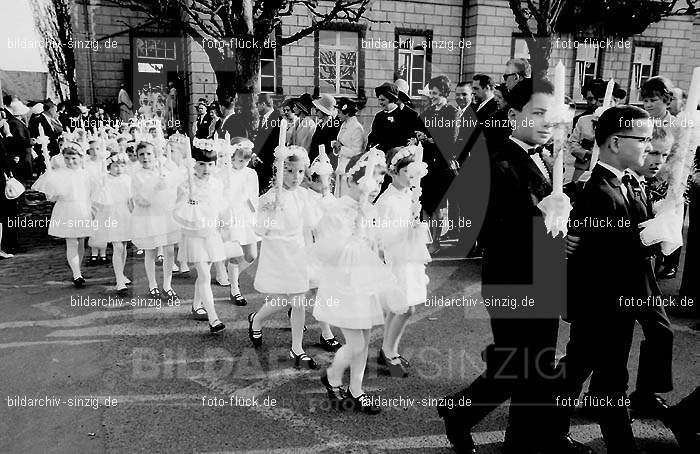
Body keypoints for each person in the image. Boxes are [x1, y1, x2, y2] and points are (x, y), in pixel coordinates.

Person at [438, 78, 589, 454]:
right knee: (521, 365)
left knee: (531, 366)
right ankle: (465, 416)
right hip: (513, 279)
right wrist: (542, 225)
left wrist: (560, 226)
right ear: (512, 114)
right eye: (538, 114)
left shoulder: (541, 158)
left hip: (544, 274)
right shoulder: (495, 159)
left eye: (551, 117)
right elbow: (483, 227)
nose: (546, 123)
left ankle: (522, 438)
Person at [554, 105, 656, 454]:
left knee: (598, 373)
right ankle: (553, 430)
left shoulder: (630, 182)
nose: (648, 144)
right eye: (641, 138)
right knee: (589, 373)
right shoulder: (596, 191)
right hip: (600, 303)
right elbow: (588, 255)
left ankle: (553, 428)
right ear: (614, 142)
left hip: (621, 302)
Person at [314, 149, 393, 414]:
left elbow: (374, 244)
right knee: (355, 342)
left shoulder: (368, 210)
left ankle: (356, 389)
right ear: (351, 181)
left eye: (380, 182)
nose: (375, 188)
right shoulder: (335, 210)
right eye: (369, 181)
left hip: (365, 281)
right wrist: (353, 231)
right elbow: (326, 251)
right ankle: (333, 375)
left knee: (366, 337)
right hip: (342, 283)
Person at [248, 146, 320, 368]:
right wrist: (270, 211)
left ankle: (296, 348)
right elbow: (260, 230)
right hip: (279, 253)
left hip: (298, 251)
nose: (295, 177)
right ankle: (257, 319)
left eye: (299, 172)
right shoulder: (269, 198)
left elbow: (312, 224)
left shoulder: (304, 195)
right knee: (288, 298)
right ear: (278, 171)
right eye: (289, 171)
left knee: (298, 299)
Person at [375, 146, 430, 378]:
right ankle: (388, 351)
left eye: (413, 170)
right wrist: (408, 230)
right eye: (406, 170)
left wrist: (416, 223)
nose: (411, 175)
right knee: (405, 308)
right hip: (397, 259)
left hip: (410, 257)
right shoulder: (386, 201)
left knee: (400, 307)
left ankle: (388, 348)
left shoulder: (409, 195)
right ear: (393, 172)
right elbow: (381, 236)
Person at [175, 144, 228, 333]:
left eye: (210, 164)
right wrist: (190, 202)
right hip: (194, 235)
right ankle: (213, 318)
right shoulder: (186, 185)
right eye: (201, 164)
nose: (206, 169)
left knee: (204, 272)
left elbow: (220, 207)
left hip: (212, 233)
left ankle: (197, 303)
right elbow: (178, 212)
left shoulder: (217, 184)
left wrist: (224, 225)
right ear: (193, 165)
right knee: (205, 275)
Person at [30, 141, 93, 287]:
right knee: (71, 241)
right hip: (66, 209)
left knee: (81, 241)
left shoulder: (86, 174)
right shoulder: (59, 174)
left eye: (74, 158)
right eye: (67, 159)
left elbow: (92, 192)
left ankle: (78, 268)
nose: (70, 162)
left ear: (81, 158)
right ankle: (76, 274)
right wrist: (53, 189)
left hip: (83, 208)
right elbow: (52, 197)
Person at [130, 141, 182, 302]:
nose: (145, 157)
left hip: (165, 214)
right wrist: (155, 188)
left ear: (155, 155)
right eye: (141, 154)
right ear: (137, 157)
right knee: (151, 250)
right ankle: (152, 283)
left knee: (169, 250)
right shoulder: (137, 175)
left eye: (148, 154)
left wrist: (166, 185)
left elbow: (176, 187)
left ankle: (167, 284)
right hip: (148, 215)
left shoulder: (163, 170)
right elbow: (140, 198)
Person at [416, 75, 458, 253]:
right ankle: (426, 239)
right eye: (430, 92)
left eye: (435, 93)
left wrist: (431, 140)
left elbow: (452, 139)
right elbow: (419, 128)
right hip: (426, 164)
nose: (432, 96)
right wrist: (418, 136)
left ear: (444, 93)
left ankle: (436, 241)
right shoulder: (427, 112)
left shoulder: (451, 112)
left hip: (442, 164)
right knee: (425, 203)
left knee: (438, 205)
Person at [219, 138, 259, 305]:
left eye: (247, 160)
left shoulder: (251, 174)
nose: (244, 163)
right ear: (232, 157)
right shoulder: (224, 173)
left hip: (246, 216)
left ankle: (231, 273)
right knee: (236, 254)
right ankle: (235, 289)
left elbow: (253, 197)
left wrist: (254, 214)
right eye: (241, 160)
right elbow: (218, 196)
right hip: (231, 216)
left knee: (251, 255)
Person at [88, 152, 133, 294]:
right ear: (109, 166)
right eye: (115, 165)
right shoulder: (105, 180)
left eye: (121, 165)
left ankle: (121, 274)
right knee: (117, 247)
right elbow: (98, 198)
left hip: (125, 213)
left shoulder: (127, 179)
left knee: (124, 246)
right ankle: (119, 279)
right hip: (111, 214)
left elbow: (131, 198)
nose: (118, 168)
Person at [367, 83, 414, 152]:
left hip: (397, 156)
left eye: (383, 100)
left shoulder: (405, 116)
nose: (380, 103)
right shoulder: (379, 116)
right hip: (379, 155)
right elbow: (373, 137)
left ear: (391, 99)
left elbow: (408, 141)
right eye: (379, 99)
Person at [332, 98, 365, 197]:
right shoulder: (344, 125)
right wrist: (336, 148)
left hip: (350, 168)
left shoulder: (357, 128)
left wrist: (340, 149)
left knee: (345, 196)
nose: (337, 114)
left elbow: (357, 152)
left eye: (339, 112)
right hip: (341, 166)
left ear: (347, 113)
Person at [253, 93, 280, 191]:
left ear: (263, 104)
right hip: (260, 163)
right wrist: (255, 154)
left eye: (257, 104)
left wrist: (260, 158)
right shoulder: (263, 118)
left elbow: (274, 143)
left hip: (268, 164)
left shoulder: (277, 118)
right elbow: (259, 139)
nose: (256, 107)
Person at [310, 94, 341, 168]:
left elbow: (331, 147)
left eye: (317, 110)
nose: (315, 113)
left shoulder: (335, 125)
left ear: (323, 111)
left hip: (326, 163)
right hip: (315, 161)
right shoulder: (319, 125)